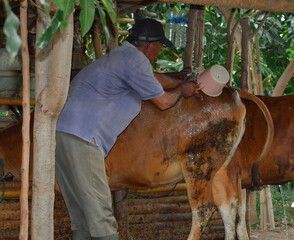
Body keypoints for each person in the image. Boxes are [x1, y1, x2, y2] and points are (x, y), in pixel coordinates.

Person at [55, 18, 200, 240]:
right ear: (150, 46)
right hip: (83, 139)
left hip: (63, 134)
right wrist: (182, 90)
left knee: (82, 215)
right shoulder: (136, 61)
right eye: (159, 48)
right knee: (101, 215)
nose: (159, 53)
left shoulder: (122, 57)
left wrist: (180, 82)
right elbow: (163, 102)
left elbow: (155, 79)